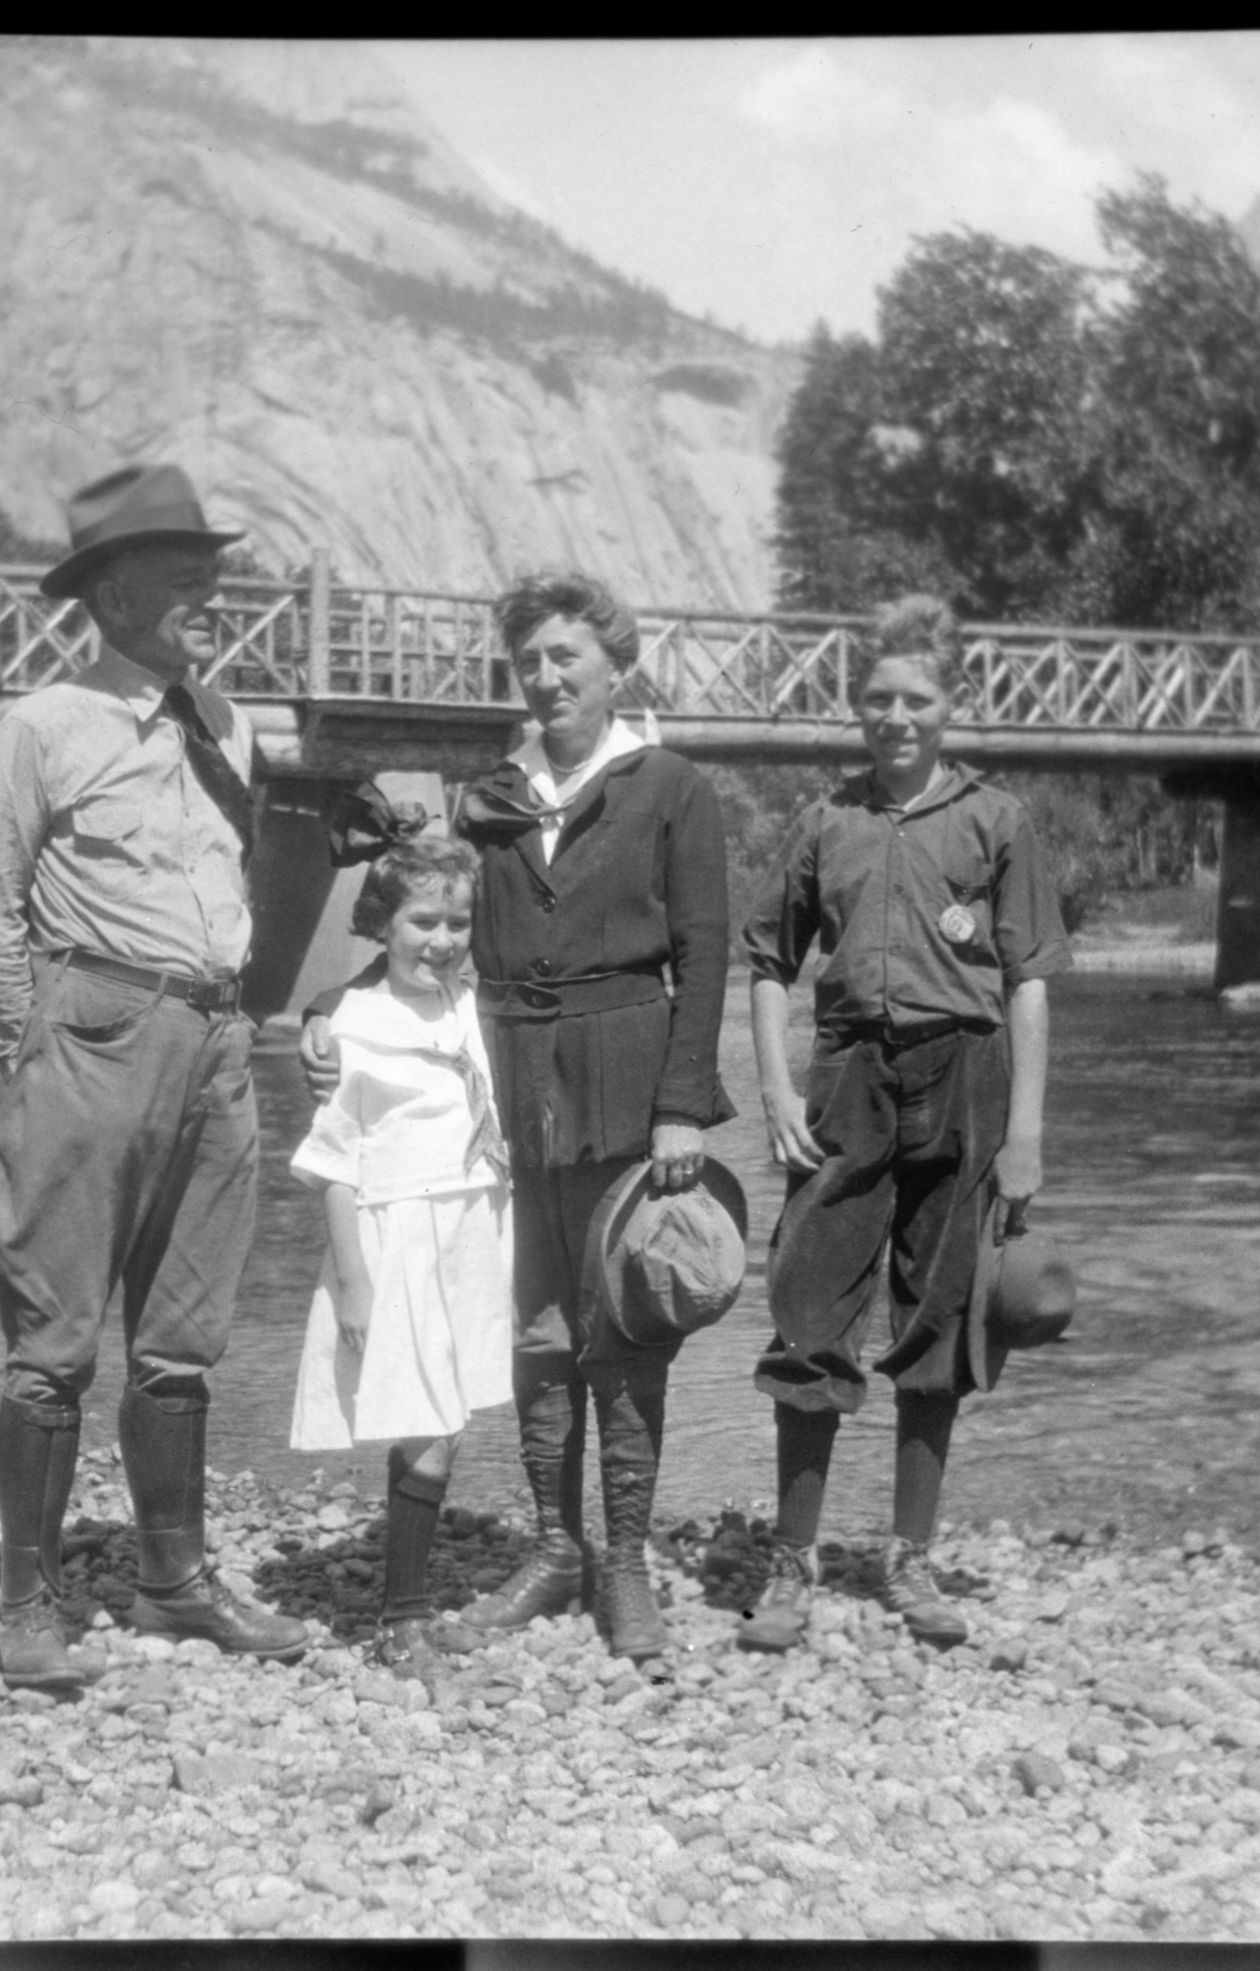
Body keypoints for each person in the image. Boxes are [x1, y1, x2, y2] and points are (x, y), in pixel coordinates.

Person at [303, 571, 734, 1664]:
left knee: (624, 1321)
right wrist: (329, 1009)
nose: (545, 678)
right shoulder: (491, 795)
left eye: (566, 658)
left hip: (626, 1079)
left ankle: (625, 1564)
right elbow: (427, 928)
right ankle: (554, 1548)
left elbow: (705, 953)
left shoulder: (669, 786)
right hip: (501, 1090)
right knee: (537, 1326)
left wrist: (683, 1105)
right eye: (529, 661)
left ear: (616, 669)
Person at [0, 461, 308, 1692]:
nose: (211, 591)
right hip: (96, 1034)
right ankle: (27, 1602)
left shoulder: (227, 724)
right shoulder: (42, 728)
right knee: (54, 1341)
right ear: (110, 596)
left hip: (216, 1043)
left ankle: (173, 1580)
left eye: (211, 570)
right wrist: (37, 1043)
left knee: (184, 1335)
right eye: (182, 573)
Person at [733, 595, 1069, 1653]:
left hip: (965, 1077)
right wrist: (777, 1090)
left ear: (951, 703)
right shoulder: (823, 822)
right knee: (809, 1309)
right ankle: (791, 1561)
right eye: (878, 697)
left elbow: (1028, 981)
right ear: (857, 705)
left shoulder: (997, 820)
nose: (896, 716)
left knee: (941, 1315)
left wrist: (1026, 1133)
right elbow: (766, 961)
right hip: (847, 1079)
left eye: (917, 698)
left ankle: (910, 1558)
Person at [287, 833, 515, 1681]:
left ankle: (406, 1604)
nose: (443, 940)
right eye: (423, 921)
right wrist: (353, 1281)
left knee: (444, 1419)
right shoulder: (353, 1026)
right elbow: (334, 1163)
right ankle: (400, 1617)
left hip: (469, 1232)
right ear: (382, 923)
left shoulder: (465, 1002)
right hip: (398, 1241)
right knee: (427, 1425)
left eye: (458, 922)